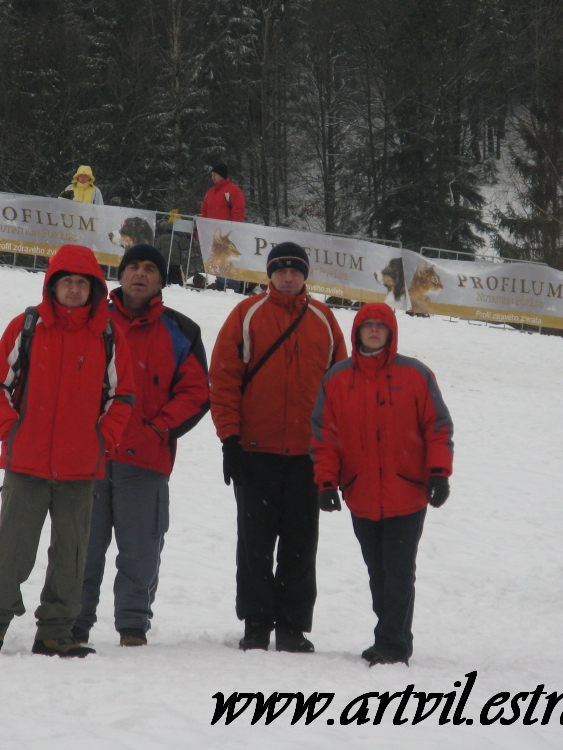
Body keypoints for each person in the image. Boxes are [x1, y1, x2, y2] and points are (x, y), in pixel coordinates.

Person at [0, 244, 136, 657]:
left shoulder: (108, 334)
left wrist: (103, 439)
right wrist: (11, 432)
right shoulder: (26, 325)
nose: (75, 289)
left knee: (72, 554)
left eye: (83, 282)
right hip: (26, 463)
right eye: (68, 281)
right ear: (53, 285)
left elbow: (123, 397)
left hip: (81, 468)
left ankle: (55, 631)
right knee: (13, 547)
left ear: (95, 289)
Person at [209, 242, 347, 652]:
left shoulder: (323, 319)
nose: (288, 276)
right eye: (281, 269)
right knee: (254, 543)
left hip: (307, 456)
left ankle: (291, 625)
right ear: (269, 274)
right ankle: (255, 623)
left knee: (300, 545)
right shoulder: (246, 314)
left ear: (305, 275)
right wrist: (229, 441)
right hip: (255, 451)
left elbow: (340, 390)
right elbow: (223, 380)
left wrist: (333, 453)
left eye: (295, 270)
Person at [73, 244, 210, 646]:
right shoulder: (91, 321)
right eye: (133, 266)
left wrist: (158, 430)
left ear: (161, 280)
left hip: (146, 458)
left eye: (150, 268)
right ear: (121, 274)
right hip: (90, 457)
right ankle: (74, 620)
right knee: (82, 546)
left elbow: (196, 392)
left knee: (141, 550)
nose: (140, 274)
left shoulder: (181, 329)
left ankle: (132, 625)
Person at [311, 303, 454, 667]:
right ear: (357, 331)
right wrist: (327, 482)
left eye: (380, 326)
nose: (373, 331)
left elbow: (437, 428)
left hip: (407, 492)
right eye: (367, 325)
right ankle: (391, 635)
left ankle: (392, 645)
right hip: (360, 492)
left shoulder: (416, 375)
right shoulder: (338, 378)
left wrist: (439, 473)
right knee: (378, 572)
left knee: (399, 570)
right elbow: (325, 436)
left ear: (391, 332)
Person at [198, 163, 245, 291]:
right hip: (213, 236)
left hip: (227, 236)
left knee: (228, 261)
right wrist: (200, 231)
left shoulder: (233, 191)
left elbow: (238, 211)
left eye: (214, 174)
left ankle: (232, 287)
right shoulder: (210, 192)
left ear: (221, 175)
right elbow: (204, 213)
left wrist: (235, 230)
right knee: (214, 261)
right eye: (211, 175)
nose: (212, 177)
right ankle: (216, 285)